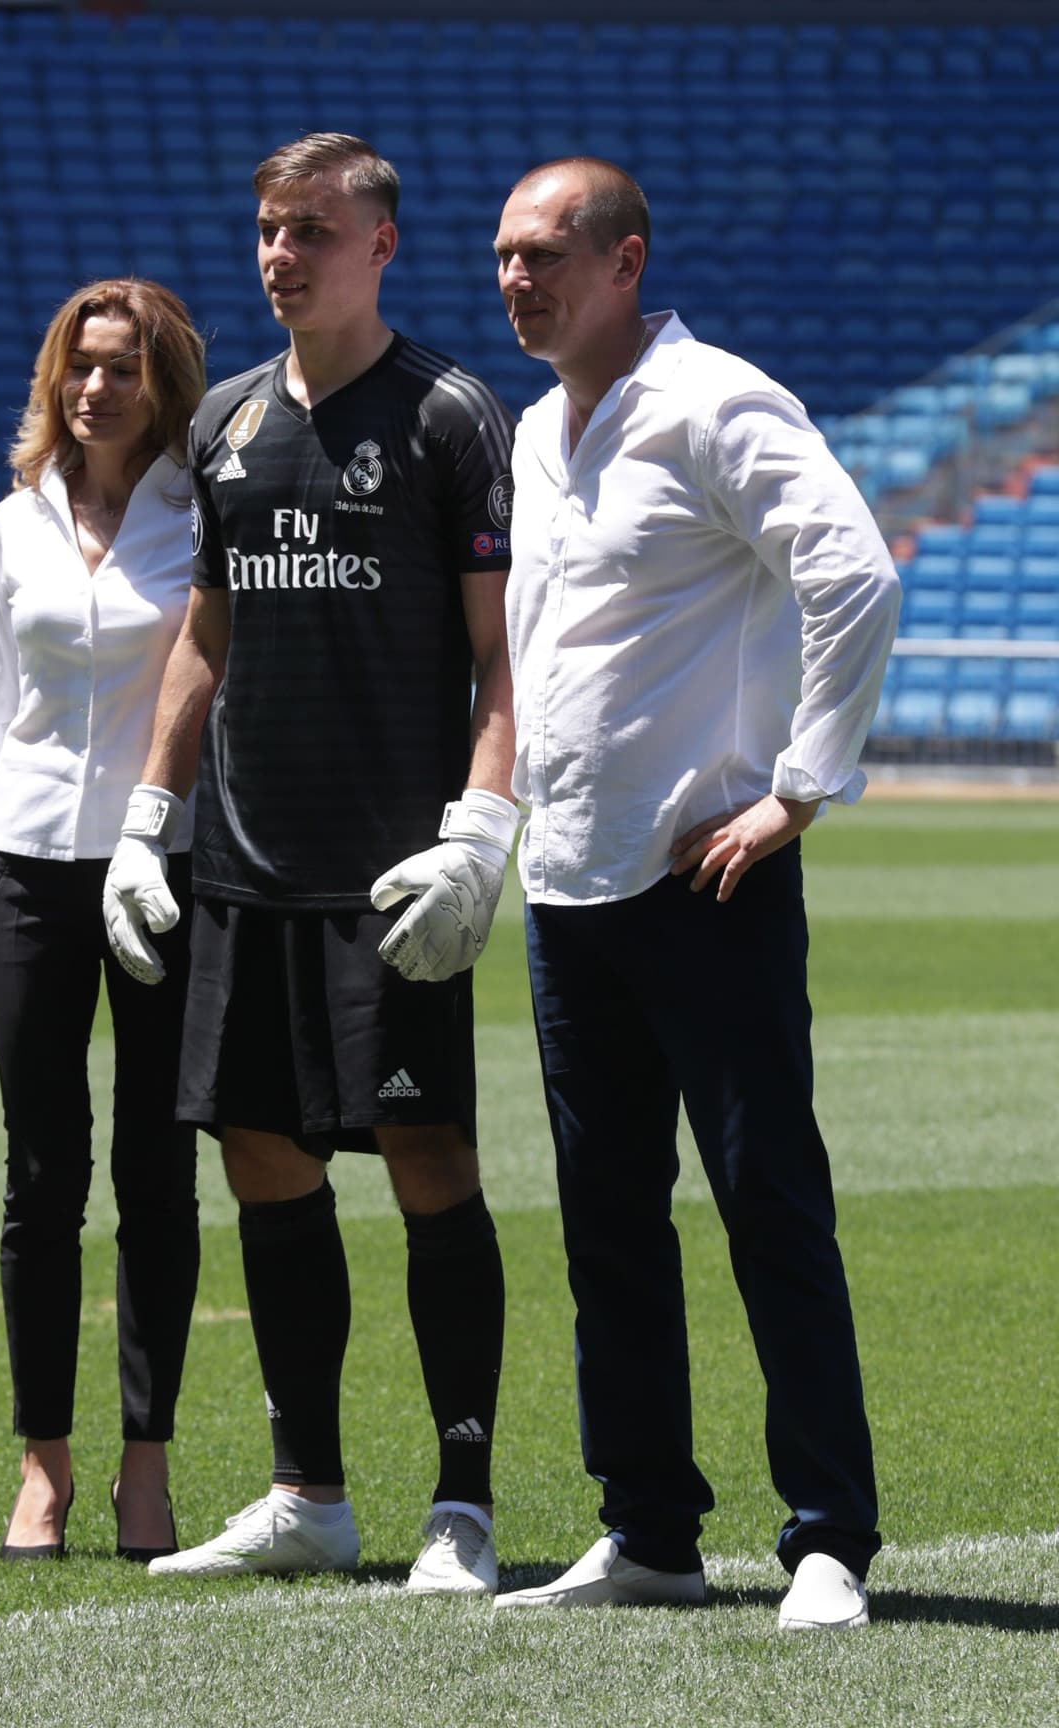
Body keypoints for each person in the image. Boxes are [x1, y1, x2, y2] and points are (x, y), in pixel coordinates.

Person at [102, 133, 519, 1596]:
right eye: (270, 230)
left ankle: (460, 1503)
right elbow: (208, 634)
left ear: (381, 245)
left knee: (429, 1162)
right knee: (264, 1163)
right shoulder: (220, 420)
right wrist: (151, 816)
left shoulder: (452, 416)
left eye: (312, 232)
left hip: (391, 885)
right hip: (246, 870)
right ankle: (309, 1494)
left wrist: (481, 831)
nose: (282, 254)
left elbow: (501, 655)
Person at [488, 159, 900, 1630]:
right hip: (571, 888)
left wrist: (798, 787)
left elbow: (853, 572)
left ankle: (829, 1541)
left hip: (706, 882)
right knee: (607, 1226)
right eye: (504, 257)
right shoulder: (537, 433)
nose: (518, 279)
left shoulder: (717, 400)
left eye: (546, 253)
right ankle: (650, 1528)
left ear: (625, 261)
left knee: (767, 1206)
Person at [0, 278, 206, 1563]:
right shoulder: (11, 523)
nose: (95, 388)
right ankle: (42, 1462)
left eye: (123, 369)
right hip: (23, 869)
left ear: (164, 386)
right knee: (41, 1176)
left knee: (156, 1170)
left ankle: (145, 1466)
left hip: (161, 868)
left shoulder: (203, 517)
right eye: (79, 366)